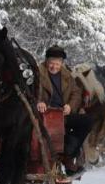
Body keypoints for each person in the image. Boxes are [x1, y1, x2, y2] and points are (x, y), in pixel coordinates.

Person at [35, 45, 93, 174]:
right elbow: (32, 90)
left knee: (87, 121)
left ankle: (68, 154)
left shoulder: (66, 75)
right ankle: (66, 158)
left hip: (62, 115)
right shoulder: (38, 73)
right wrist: (39, 101)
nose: (54, 67)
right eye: (51, 63)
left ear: (61, 63)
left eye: (57, 64)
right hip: (45, 115)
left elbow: (76, 93)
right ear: (46, 62)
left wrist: (70, 106)